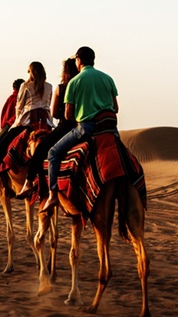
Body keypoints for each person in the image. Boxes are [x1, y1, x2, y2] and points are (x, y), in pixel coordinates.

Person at [41, 46, 119, 212]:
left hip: (87, 128)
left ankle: (53, 194)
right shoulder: (108, 78)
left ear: (79, 60)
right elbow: (115, 108)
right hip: (109, 129)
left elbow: (68, 115)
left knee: (53, 154)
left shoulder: (74, 83)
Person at [16, 57, 79, 199]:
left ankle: (30, 182)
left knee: (44, 150)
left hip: (64, 126)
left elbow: (56, 113)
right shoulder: (52, 86)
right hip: (59, 122)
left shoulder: (61, 88)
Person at [0, 62, 53, 183]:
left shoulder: (25, 86)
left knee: (3, 142)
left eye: (29, 71)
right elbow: (48, 103)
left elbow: (19, 106)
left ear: (32, 72)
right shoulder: (49, 86)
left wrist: (17, 122)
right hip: (45, 121)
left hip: (28, 121)